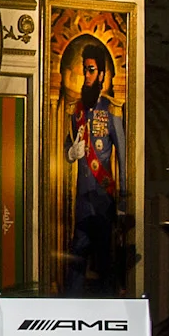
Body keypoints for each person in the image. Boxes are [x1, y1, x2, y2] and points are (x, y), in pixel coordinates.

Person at [61, 39, 127, 292]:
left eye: (91, 69)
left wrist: (122, 200)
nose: (86, 74)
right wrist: (71, 153)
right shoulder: (76, 110)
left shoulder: (111, 109)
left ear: (101, 74)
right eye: (84, 68)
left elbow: (121, 155)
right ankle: (72, 304)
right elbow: (69, 146)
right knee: (78, 250)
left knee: (103, 254)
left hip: (104, 195)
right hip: (82, 195)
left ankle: (106, 302)